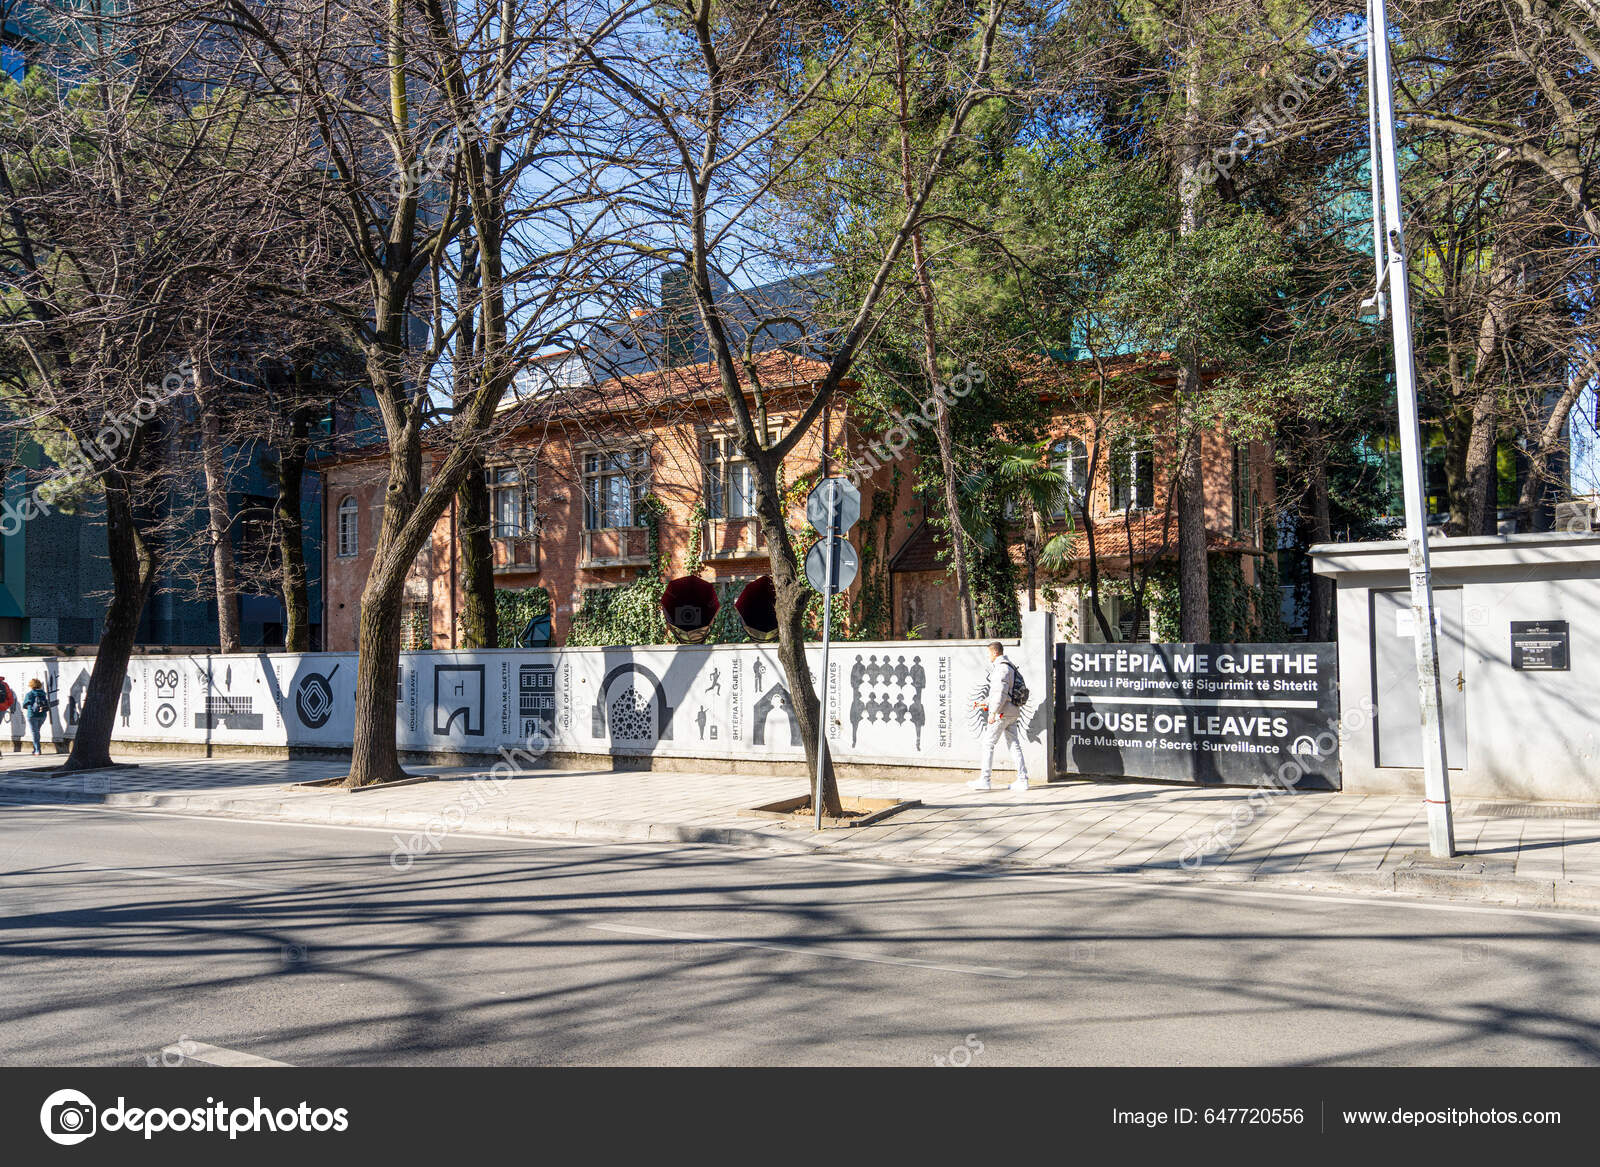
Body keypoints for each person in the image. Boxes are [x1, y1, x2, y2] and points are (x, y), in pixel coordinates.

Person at [968, 641, 1030, 792]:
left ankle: (985, 779)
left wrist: (993, 713)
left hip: (1002, 712)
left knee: (988, 744)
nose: (988, 656)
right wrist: (984, 703)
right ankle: (1022, 779)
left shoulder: (1000, 668)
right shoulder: (1009, 666)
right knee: (1014, 744)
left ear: (995, 652)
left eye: (989, 653)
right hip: (1012, 711)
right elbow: (1001, 693)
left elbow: (1000, 693)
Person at [22, 678, 49, 755]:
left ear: (31, 685)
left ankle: (37, 749)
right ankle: (35, 749)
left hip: (32, 715)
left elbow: (24, 705)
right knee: (37, 731)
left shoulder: (29, 694)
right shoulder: (43, 694)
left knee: (35, 732)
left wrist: (30, 707)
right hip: (42, 715)